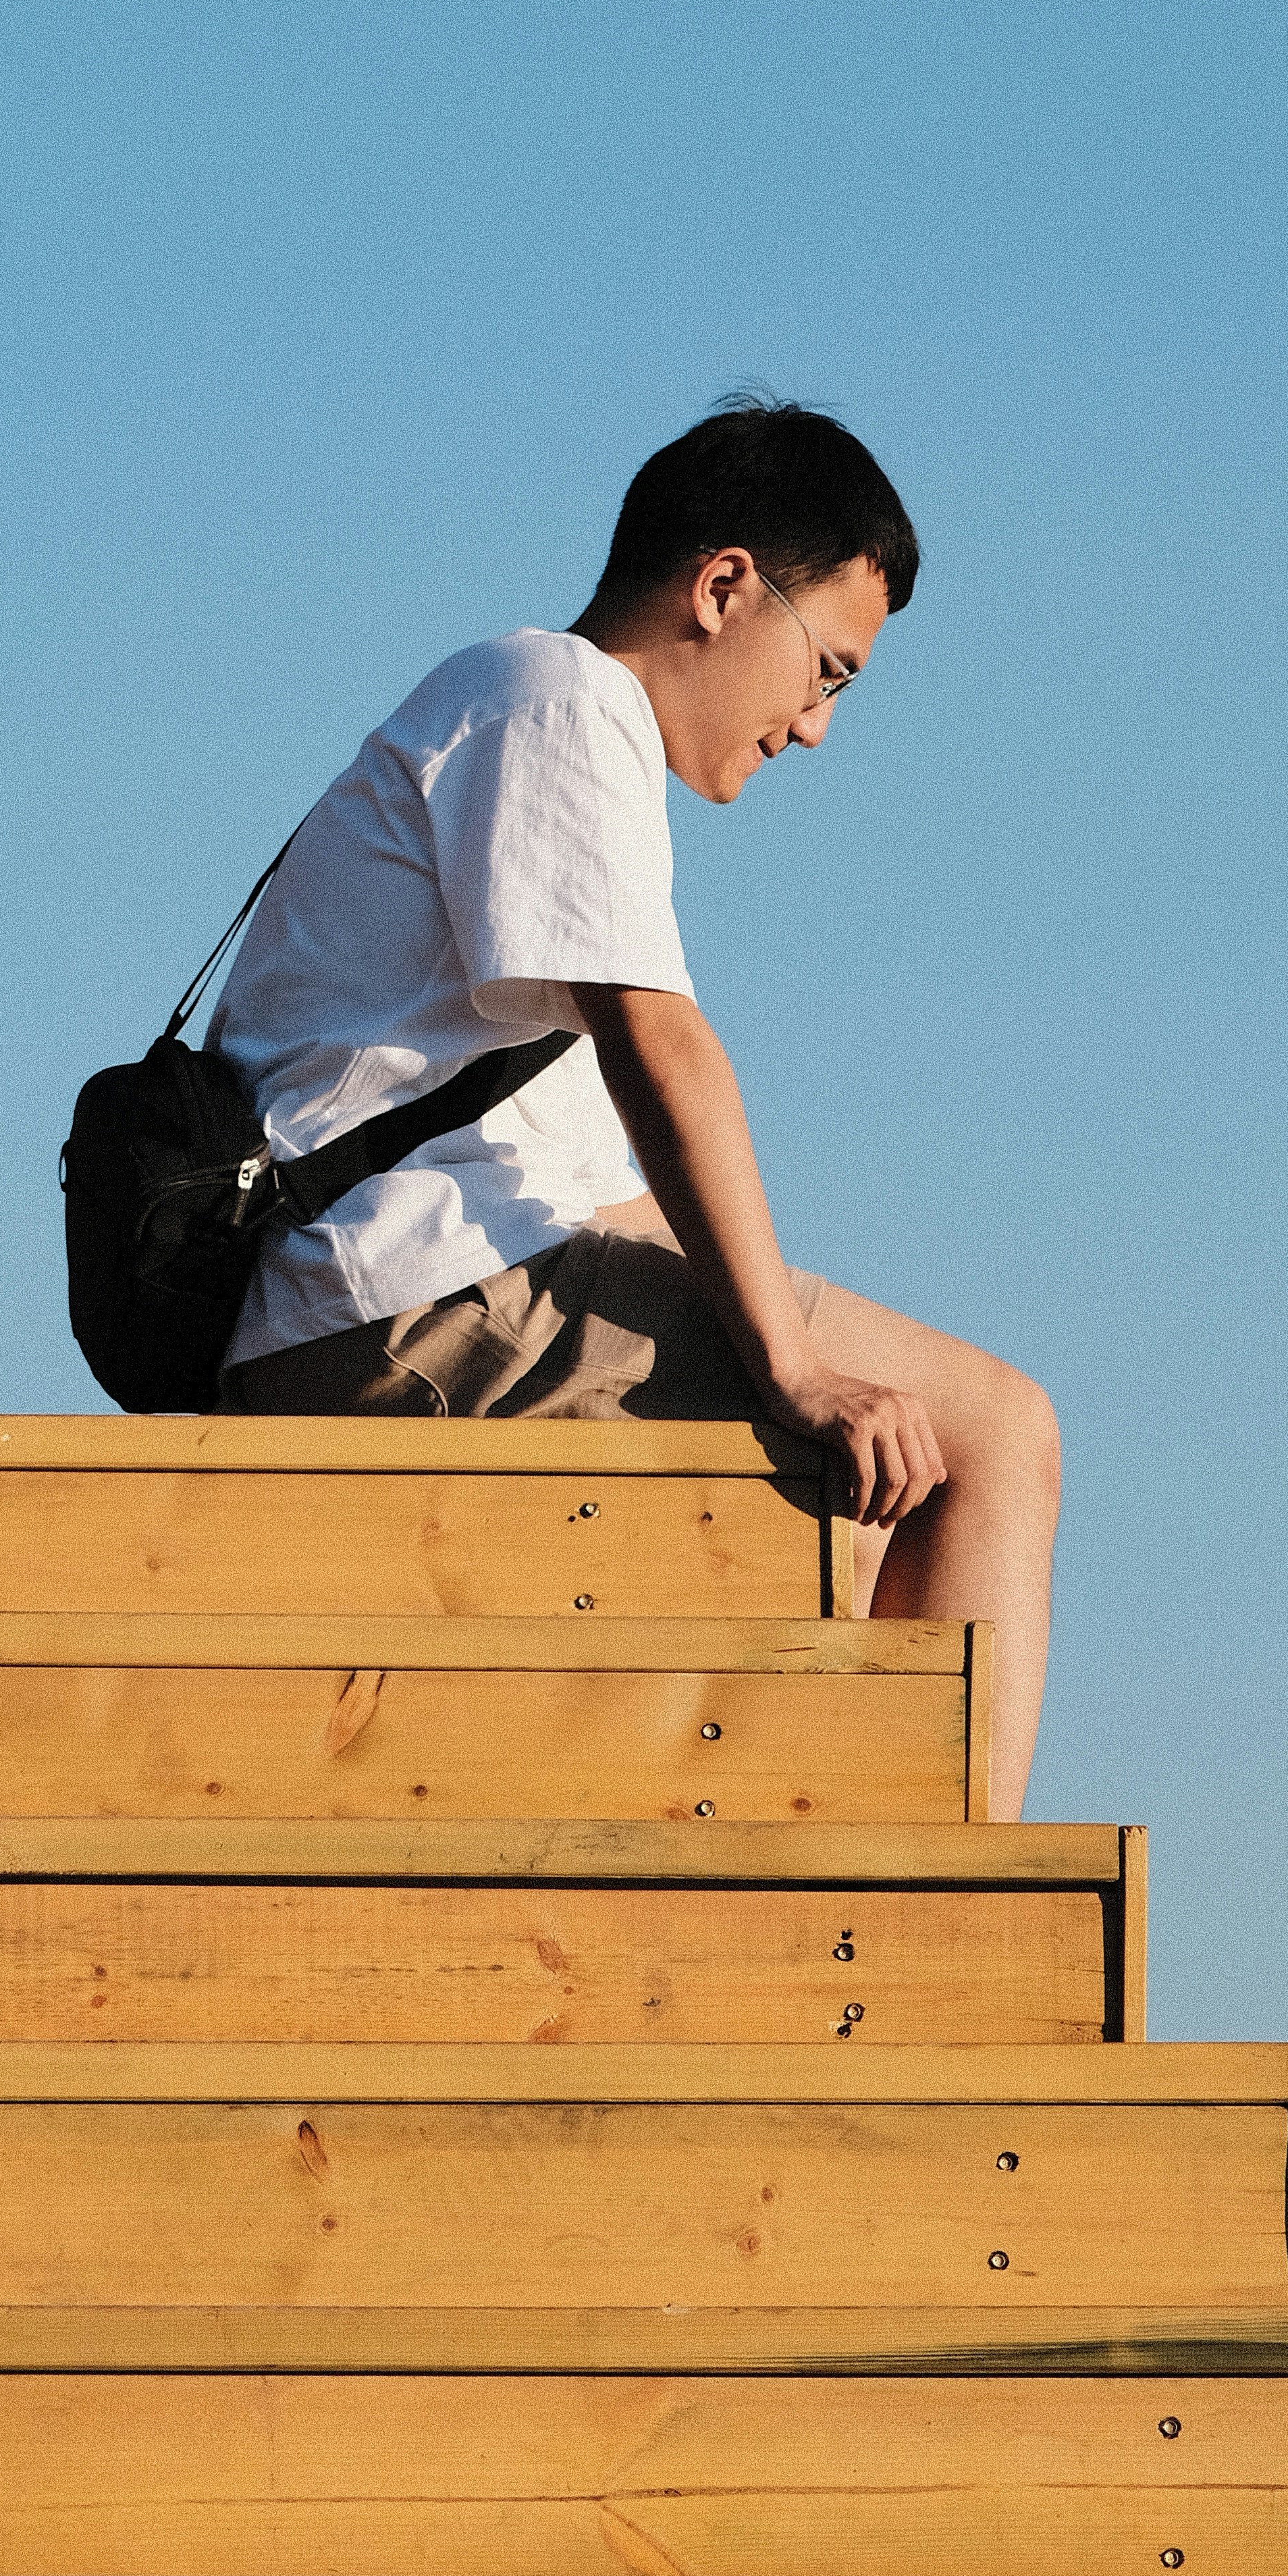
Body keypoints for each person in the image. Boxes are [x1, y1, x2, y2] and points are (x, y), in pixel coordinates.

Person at [210, 394, 1061, 1814]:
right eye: (830, 671)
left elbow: (597, 1181)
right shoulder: (553, 700)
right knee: (956, 1446)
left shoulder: (523, 718)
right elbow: (661, 1048)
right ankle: (933, 1933)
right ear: (726, 586)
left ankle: (879, 1902)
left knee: (932, 1451)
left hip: (417, 1286)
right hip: (397, 1303)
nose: (816, 730)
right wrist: (789, 1366)